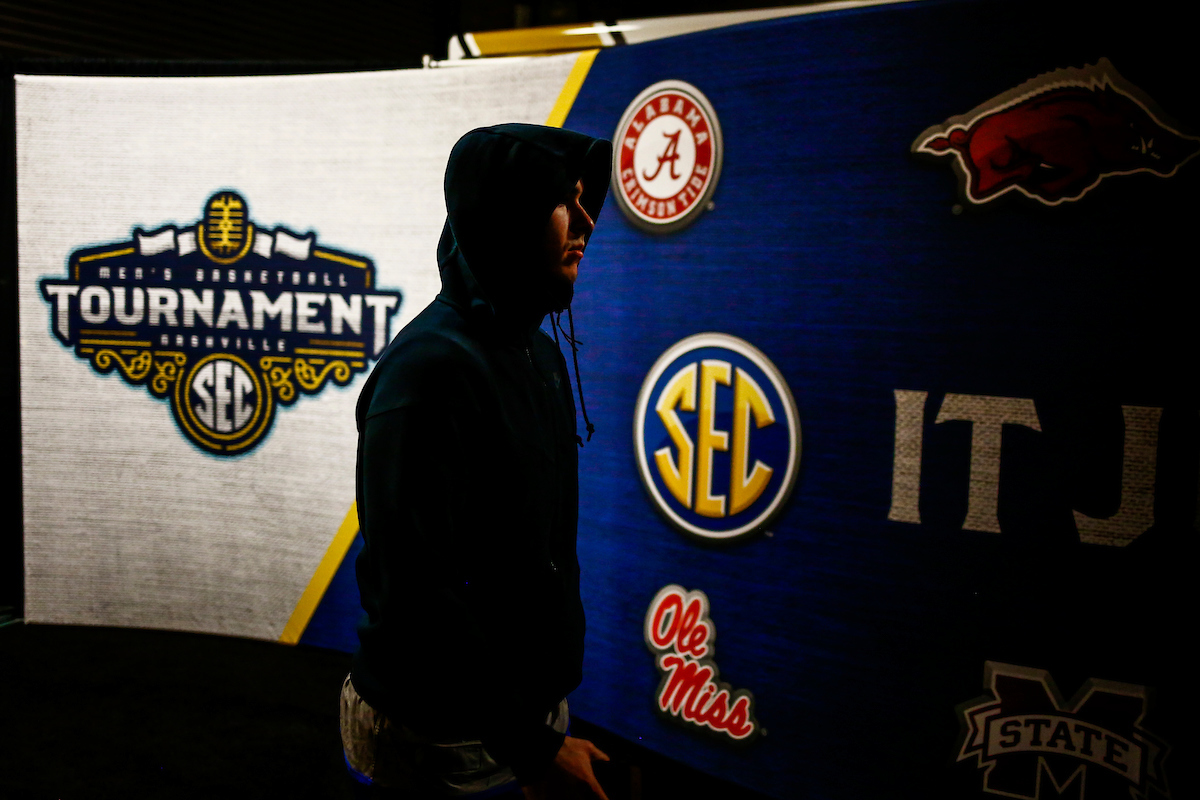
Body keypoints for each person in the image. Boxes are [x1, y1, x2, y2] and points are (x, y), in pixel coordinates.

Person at [340, 123, 613, 800]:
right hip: (440, 739)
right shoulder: (427, 376)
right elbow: (414, 598)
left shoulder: (539, 353)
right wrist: (533, 748)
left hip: (516, 716)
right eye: (563, 201)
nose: (586, 221)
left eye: (586, 200)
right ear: (506, 219)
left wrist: (536, 724)